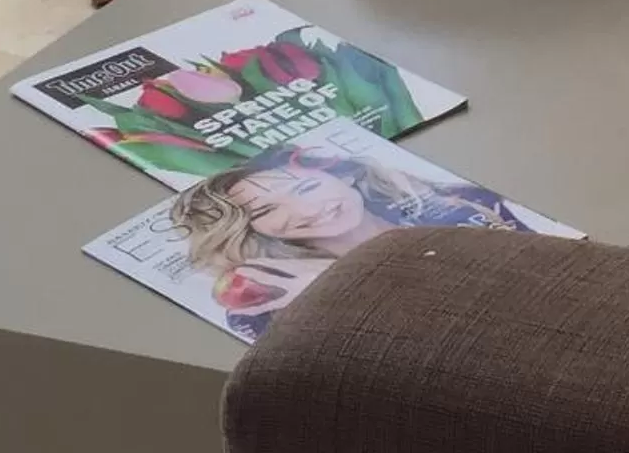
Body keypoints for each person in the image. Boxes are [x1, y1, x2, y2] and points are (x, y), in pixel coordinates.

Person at [169, 144, 531, 338]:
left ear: (346, 177)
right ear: (251, 231)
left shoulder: (465, 207)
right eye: (265, 211)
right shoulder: (268, 302)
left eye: (308, 187)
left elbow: (531, 298)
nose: (307, 209)